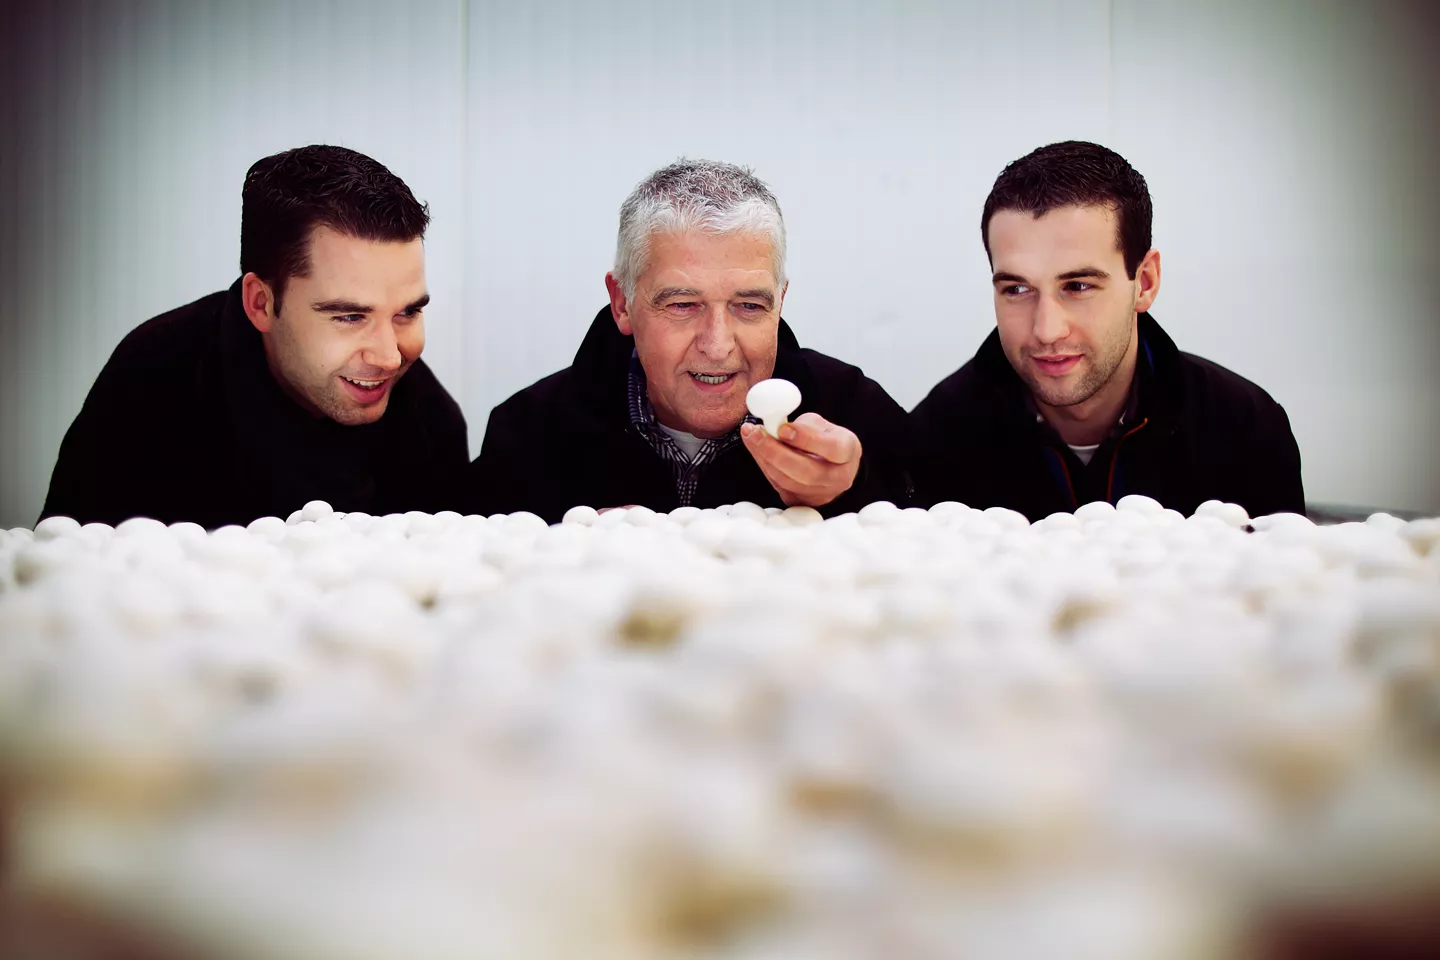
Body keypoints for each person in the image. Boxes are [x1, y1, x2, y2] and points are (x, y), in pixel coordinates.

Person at [39, 144, 469, 529]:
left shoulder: (431, 421)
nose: (390, 357)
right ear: (261, 303)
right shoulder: (151, 382)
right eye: (351, 317)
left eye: (408, 312)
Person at [471, 159, 911, 522]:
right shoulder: (528, 437)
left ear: (780, 301)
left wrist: (852, 488)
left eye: (749, 306)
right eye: (683, 305)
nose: (717, 346)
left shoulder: (857, 413)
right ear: (622, 303)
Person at [911, 141, 1305, 520]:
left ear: (1145, 282)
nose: (1047, 331)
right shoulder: (937, 435)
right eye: (1017, 289)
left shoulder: (1243, 428)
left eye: (1078, 286)